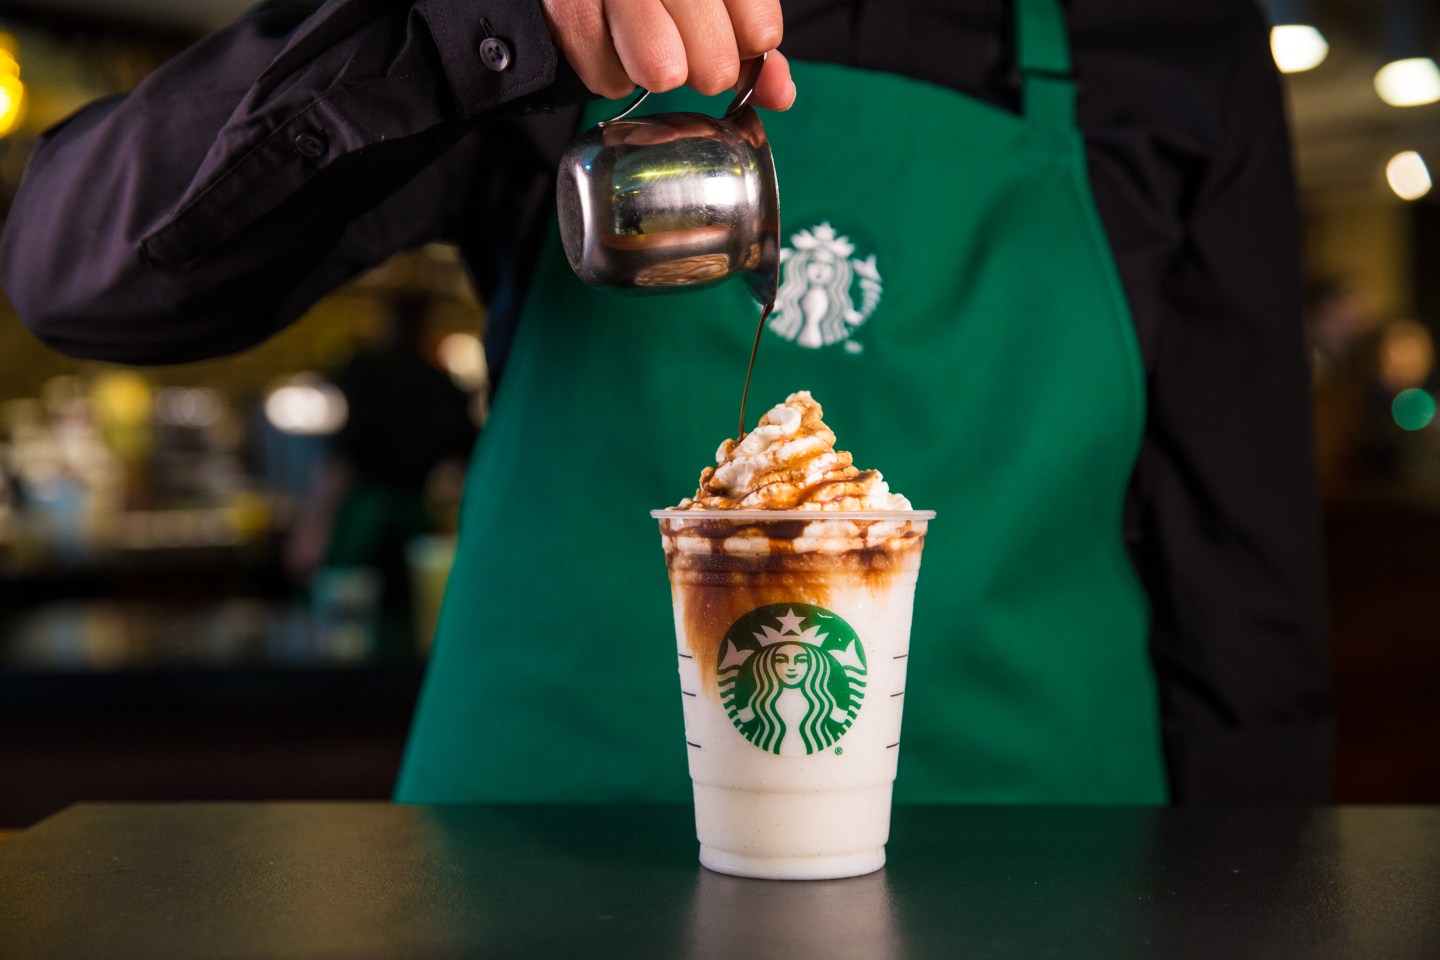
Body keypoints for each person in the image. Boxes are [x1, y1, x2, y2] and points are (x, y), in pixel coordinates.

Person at [0, 0, 1329, 804]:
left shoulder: (1169, 40)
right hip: (547, 866)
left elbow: (1245, 606)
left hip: (1036, 875)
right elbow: (76, 277)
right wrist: (475, 27)